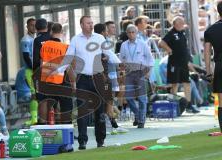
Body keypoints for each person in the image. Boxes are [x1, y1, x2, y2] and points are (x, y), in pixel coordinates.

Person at [60, 16, 110, 150]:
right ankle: (82, 141)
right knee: (82, 112)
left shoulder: (99, 38)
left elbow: (108, 53)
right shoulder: (76, 40)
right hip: (82, 79)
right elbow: (68, 57)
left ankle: (101, 140)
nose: (91, 25)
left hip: (98, 78)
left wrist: (116, 61)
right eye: (88, 23)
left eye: (92, 23)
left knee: (100, 111)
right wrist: (59, 71)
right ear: (81, 24)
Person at [158, 16, 200, 113]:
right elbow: (161, 42)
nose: (182, 24)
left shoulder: (182, 33)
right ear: (175, 24)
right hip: (174, 63)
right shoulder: (171, 33)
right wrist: (168, 49)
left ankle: (189, 105)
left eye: (182, 22)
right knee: (175, 84)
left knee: (187, 83)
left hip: (183, 63)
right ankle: (174, 106)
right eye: (180, 23)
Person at [119, 24, 154, 128]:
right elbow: (121, 60)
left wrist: (148, 72)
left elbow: (150, 59)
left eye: (133, 32)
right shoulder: (124, 45)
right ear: (127, 34)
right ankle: (138, 115)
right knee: (129, 98)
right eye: (129, 32)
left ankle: (141, 121)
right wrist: (122, 73)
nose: (131, 34)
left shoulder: (143, 44)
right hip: (129, 73)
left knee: (142, 98)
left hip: (140, 72)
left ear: (136, 33)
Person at [204, 1, 222, 132]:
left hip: (220, 66)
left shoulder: (210, 30)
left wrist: (208, 71)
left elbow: (206, 52)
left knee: (221, 101)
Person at [32, 18, 51, 124]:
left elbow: (35, 60)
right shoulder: (52, 38)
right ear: (47, 26)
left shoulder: (37, 40)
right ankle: (56, 124)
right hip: (55, 73)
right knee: (54, 100)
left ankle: (43, 123)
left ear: (36, 28)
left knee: (42, 100)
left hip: (42, 73)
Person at [20, 18, 37, 124]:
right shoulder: (25, 39)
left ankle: (37, 117)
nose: (33, 27)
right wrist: (35, 69)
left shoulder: (36, 38)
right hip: (30, 70)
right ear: (27, 26)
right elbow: (26, 56)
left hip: (37, 69)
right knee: (34, 94)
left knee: (38, 93)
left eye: (35, 25)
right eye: (31, 25)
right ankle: (34, 118)